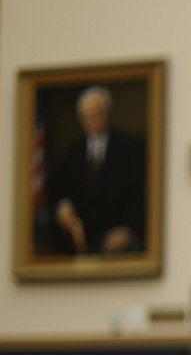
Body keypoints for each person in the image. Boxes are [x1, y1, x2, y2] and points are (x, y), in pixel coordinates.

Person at [48, 85, 146, 255]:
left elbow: (141, 194)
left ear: (106, 113)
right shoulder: (74, 151)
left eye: (97, 114)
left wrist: (126, 230)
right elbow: (59, 187)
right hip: (84, 243)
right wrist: (63, 205)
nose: (92, 120)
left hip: (121, 240)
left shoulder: (129, 147)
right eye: (87, 116)